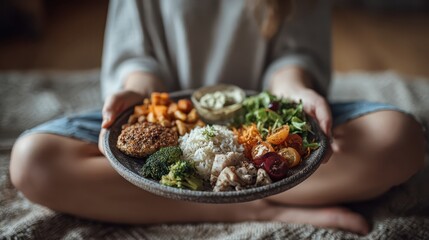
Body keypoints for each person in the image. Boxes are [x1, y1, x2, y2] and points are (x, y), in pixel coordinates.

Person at [9, 0, 425, 235]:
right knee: (32, 161)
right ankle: (262, 208)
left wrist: (297, 92)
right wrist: (136, 93)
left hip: (266, 114)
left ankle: (200, 199)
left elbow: (292, 59)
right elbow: (138, 54)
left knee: (399, 138)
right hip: (168, 119)